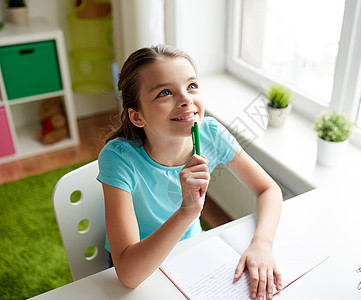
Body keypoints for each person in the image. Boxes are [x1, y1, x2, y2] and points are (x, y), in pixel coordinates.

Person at [97, 44, 283, 300]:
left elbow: (268, 189)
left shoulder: (211, 134)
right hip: (138, 262)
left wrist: (262, 244)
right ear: (137, 116)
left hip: (191, 248)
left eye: (192, 86)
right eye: (165, 92)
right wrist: (188, 211)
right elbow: (129, 275)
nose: (186, 99)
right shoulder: (118, 159)